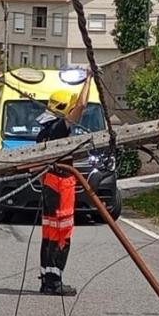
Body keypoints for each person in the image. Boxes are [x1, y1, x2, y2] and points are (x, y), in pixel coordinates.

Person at [35, 82, 91, 296]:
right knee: (62, 234)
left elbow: (37, 167)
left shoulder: (43, 133)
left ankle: (47, 279)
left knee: (49, 233)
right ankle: (54, 281)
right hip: (60, 186)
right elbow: (82, 105)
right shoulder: (59, 129)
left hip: (49, 184)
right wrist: (89, 78)